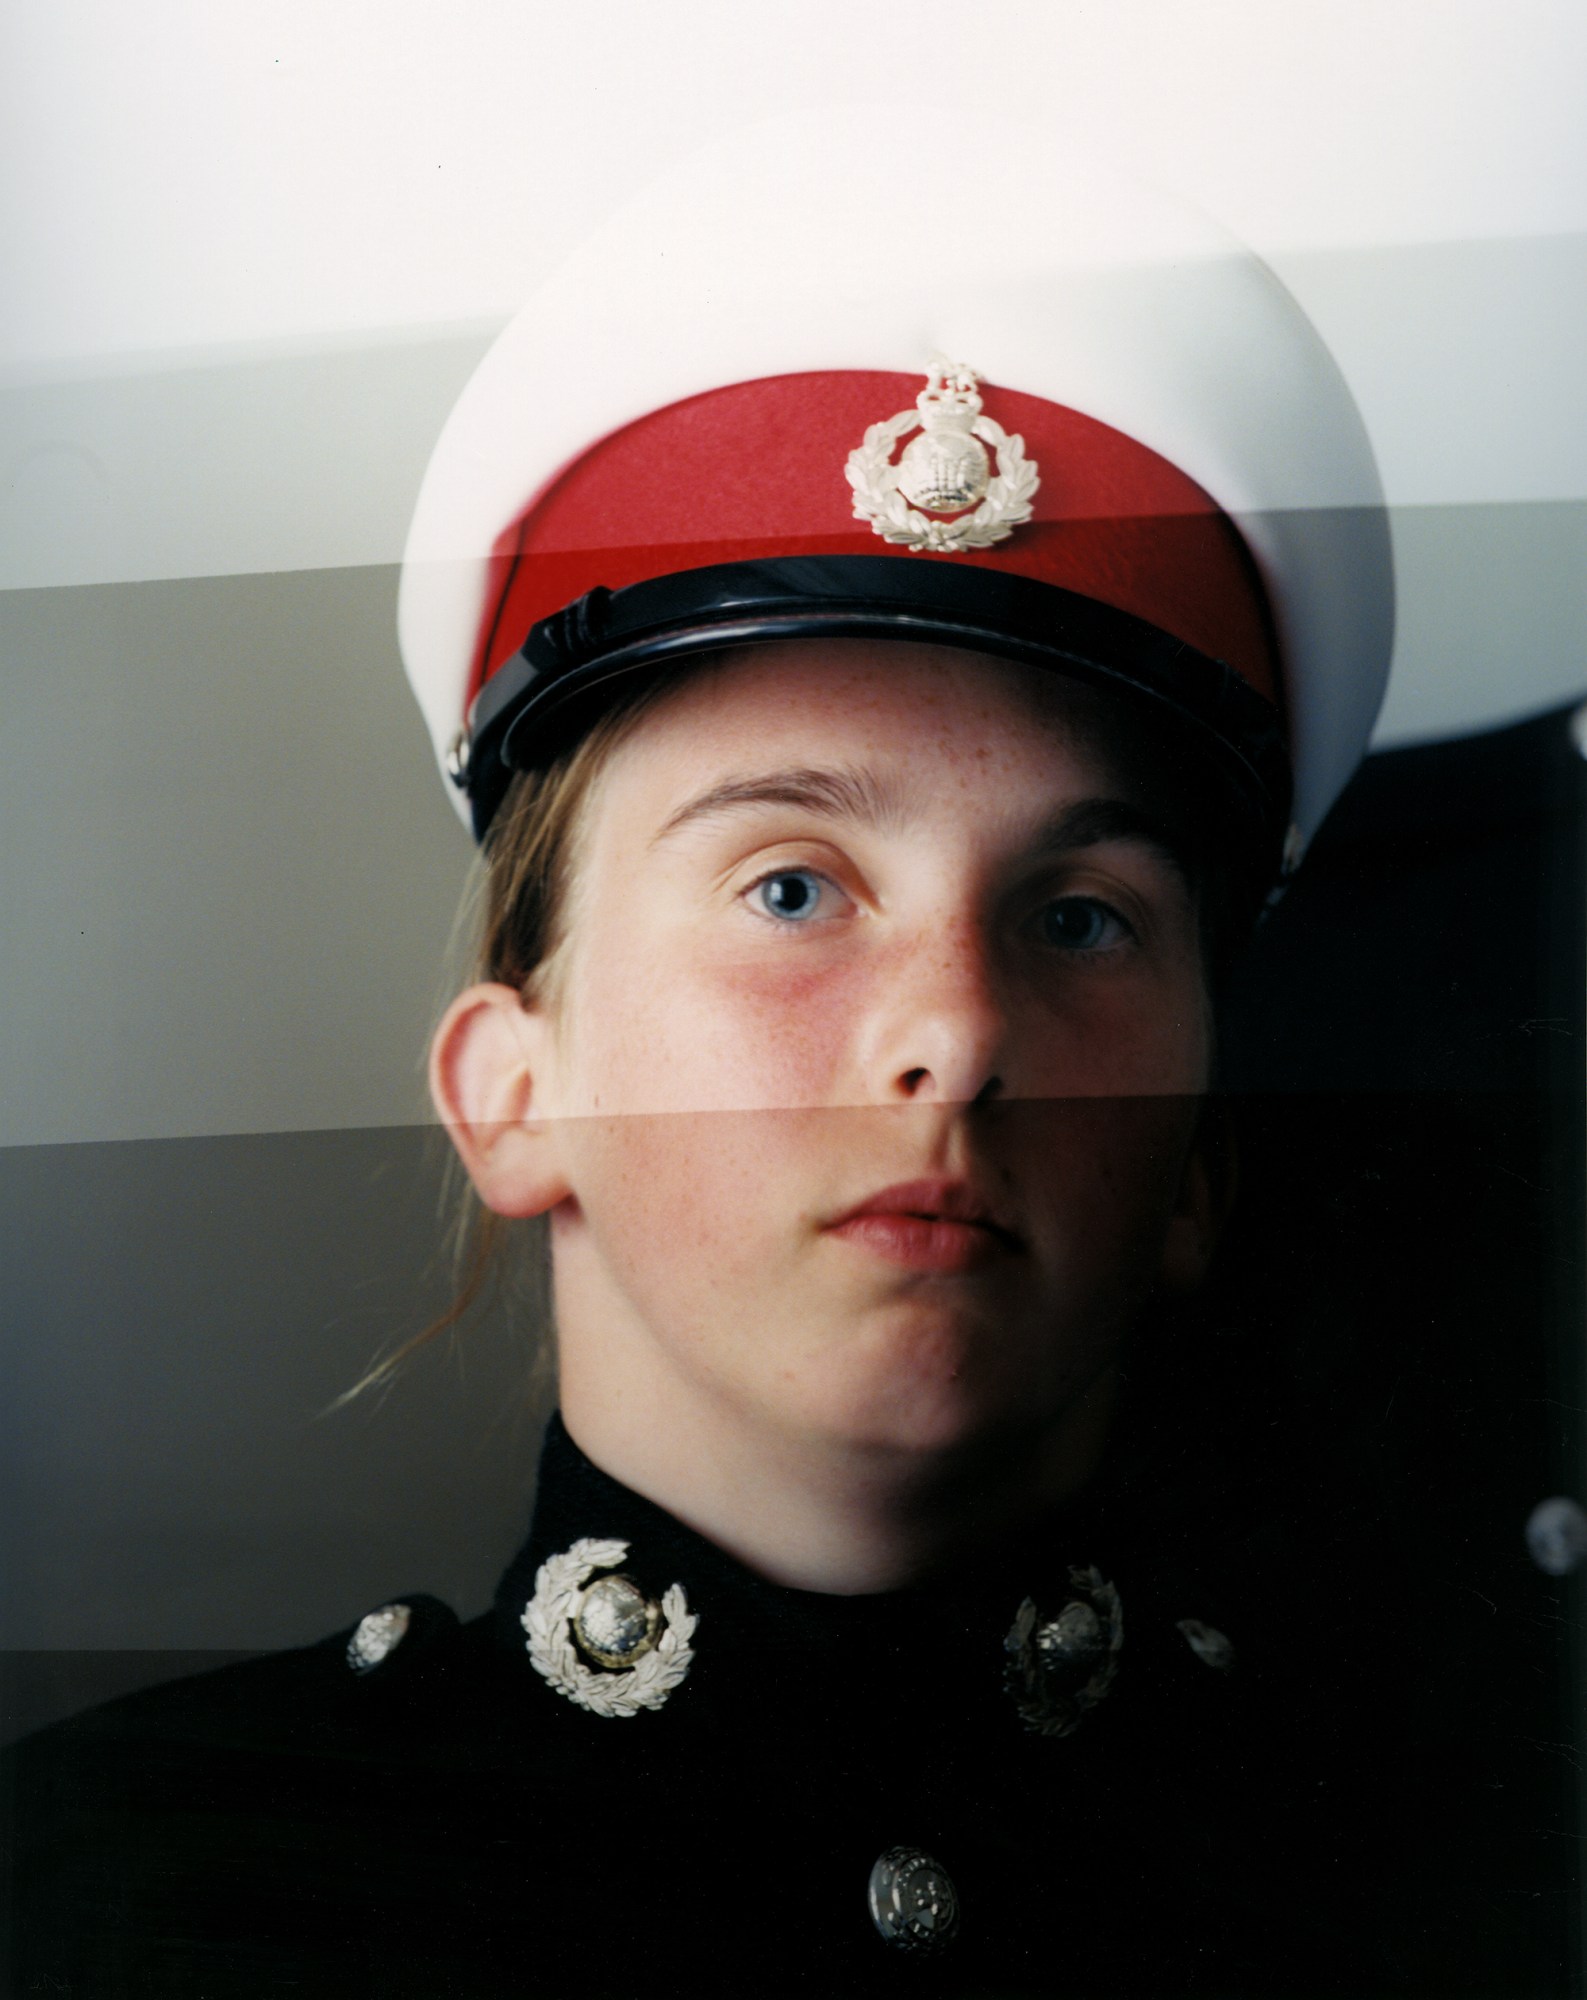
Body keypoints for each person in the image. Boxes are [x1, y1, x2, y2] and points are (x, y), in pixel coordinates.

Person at [4, 119, 1412, 1996]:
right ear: (511, 1088)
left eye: (1081, 917)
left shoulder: (1446, 1887)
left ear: (1199, 1170)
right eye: (790, 887)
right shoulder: (104, 1902)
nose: (955, 1032)